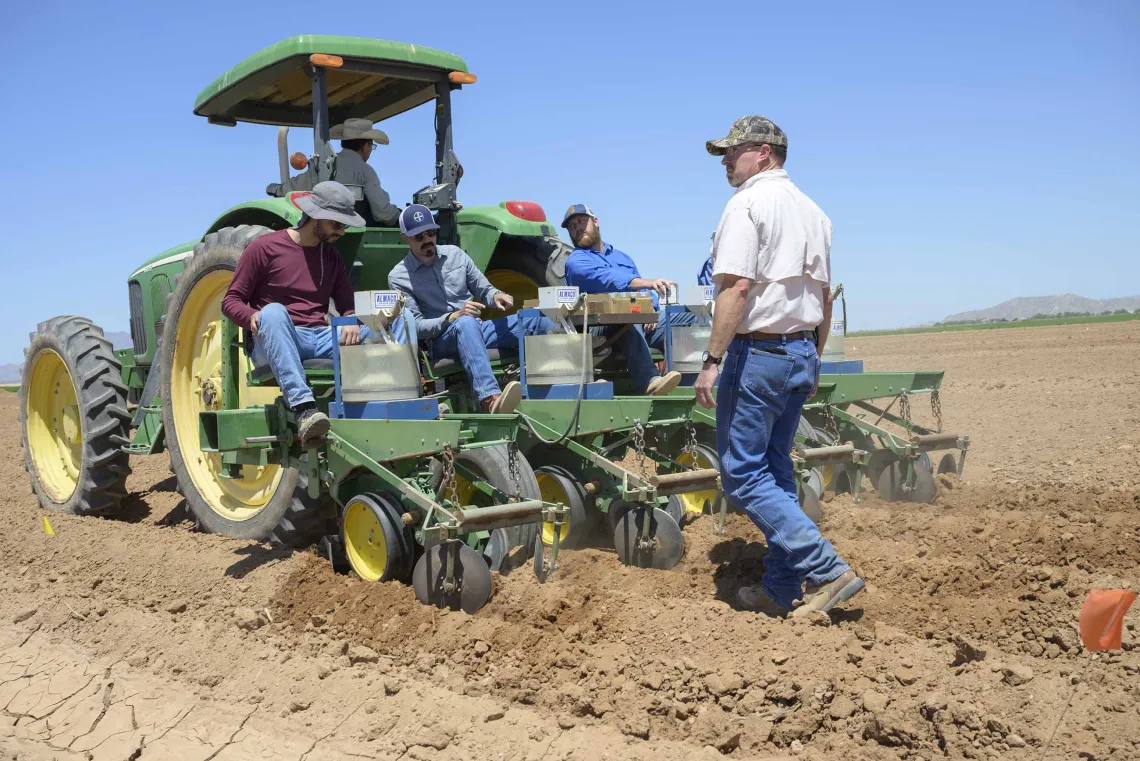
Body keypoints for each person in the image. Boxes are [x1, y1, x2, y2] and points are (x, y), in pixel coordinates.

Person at [694, 116, 863, 618]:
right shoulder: (815, 213)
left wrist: (711, 360)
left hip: (757, 355)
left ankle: (828, 569)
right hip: (799, 353)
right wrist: (812, 356)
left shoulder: (746, 204)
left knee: (742, 476)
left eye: (733, 151)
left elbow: (736, 288)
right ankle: (781, 588)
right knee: (776, 471)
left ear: (764, 153)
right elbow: (825, 298)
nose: (726, 161)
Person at [222, 181, 414, 445]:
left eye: (345, 225)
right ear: (316, 217)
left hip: (322, 337)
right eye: (337, 224)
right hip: (279, 337)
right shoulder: (263, 248)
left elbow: (346, 304)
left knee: (398, 319)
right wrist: (252, 316)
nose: (342, 231)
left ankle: (405, 399)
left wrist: (350, 321)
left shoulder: (331, 257)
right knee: (274, 312)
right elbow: (230, 301)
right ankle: (305, 411)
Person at [388, 204, 557, 413]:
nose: (426, 240)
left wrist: (496, 295)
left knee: (536, 319)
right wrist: (452, 317)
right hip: (441, 340)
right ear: (405, 237)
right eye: (418, 237)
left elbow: (483, 287)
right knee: (465, 322)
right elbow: (417, 327)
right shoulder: (399, 277)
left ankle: (558, 386)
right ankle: (490, 399)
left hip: (475, 328)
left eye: (430, 233)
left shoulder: (455, 255)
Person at [561, 205, 683, 395]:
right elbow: (610, 280)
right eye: (571, 226)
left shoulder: (622, 257)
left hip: (641, 322)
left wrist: (652, 309)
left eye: (581, 221)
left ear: (596, 221)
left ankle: (692, 380)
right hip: (598, 327)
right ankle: (650, 381)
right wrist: (649, 285)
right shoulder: (576, 262)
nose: (577, 227)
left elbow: (644, 292)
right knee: (627, 316)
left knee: (688, 317)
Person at [331, 118, 401, 227]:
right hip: (352, 232)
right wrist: (401, 215)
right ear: (366, 147)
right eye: (371, 146)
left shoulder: (324, 164)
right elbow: (382, 214)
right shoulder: (365, 171)